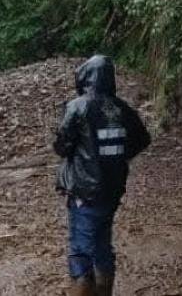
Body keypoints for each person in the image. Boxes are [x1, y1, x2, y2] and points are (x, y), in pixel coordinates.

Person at [53, 55, 151, 296]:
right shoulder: (122, 108)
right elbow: (142, 139)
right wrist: (118, 158)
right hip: (112, 188)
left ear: (85, 78)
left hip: (85, 191)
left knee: (81, 251)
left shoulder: (78, 106)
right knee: (102, 245)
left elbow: (61, 146)